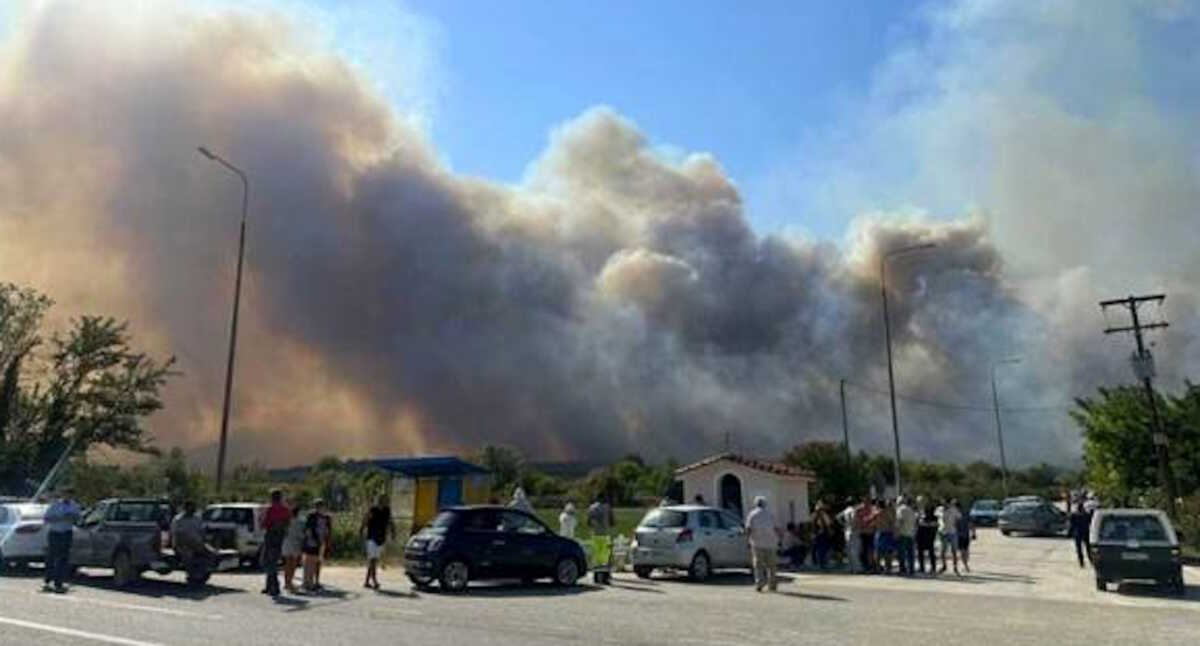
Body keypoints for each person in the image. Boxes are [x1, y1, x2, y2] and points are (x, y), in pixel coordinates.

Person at [42, 488, 81, 593]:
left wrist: (72, 517)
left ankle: (59, 582)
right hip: (55, 532)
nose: (68, 496)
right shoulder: (55, 505)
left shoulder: (75, 506)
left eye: (70, 495)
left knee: (63, 558)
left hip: (67, 532)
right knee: (52, 557)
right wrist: (58, 517)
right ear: (63, 494)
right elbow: (46, 518)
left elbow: (78, 519)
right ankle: (48, 580)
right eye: (66, 494)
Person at [746, 496, 781, 592]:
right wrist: (779, 540)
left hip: (757, 543)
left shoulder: (752, 514)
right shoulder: (771, 514)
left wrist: (748, 540)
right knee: (772, 565)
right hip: (771, 543)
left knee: (758, 565)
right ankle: (772, 585)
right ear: (765, 504)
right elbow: (777, 528)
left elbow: (748, 528)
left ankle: (759, 584)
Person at [260, 488, 292, 596]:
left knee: (267, 561)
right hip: (280, 537)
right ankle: (269, 586)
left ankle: (274, 586)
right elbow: (288, 522)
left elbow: (264, 523)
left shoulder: (270, 509)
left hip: (270, 536)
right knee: (273, 560)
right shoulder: (286, 509)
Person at [361, 496, 395, 590]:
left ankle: (367, 581)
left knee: (374, 560)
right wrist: (362, 529)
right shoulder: (373, 509)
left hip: (381, 538)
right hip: (372, 537)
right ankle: (374, 580)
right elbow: (366, 519)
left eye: (385, 501)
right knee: (372, 560)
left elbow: (390, 522)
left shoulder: (387, 511)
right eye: (381, 501)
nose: (383, 503)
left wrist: (393, 532)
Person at [282, 500, 306, 594]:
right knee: (293, 565)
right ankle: (290, 582)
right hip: (295, 544)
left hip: (286, 543)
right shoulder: (300, 521)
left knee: (287, 564)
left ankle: (287, 582)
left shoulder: (286, 521)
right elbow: (301, 534)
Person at [936, 498, 962, 576]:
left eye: (946, 503)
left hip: (952, 531)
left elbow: (959, 518)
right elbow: (937, 517)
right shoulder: (939, 509)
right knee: (942, 551)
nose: (944, 504)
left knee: (954, 550)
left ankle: (955, 567)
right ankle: (944, 566)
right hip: (942, 531)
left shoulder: (954, 510)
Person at [301, 504, 323, 592]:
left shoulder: (306, 526)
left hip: (307, 546)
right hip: (313, 546)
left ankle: (306, 583)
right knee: (312, 565)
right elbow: (314, 534)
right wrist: (318, 541)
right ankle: (310, 584)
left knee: (307, 565)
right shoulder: (313, 527)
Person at [853, 497, 877, 574]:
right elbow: (857, 521)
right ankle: (866, 566)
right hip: (863, 533)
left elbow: (876, 520)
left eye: (868, 501)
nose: (867, 503)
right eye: (866, 501)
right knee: (863, 550)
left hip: (870, 533)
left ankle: (871, 567)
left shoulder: (873, 509)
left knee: (870, 551)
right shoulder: (859, 509)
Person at [895, 496, 917, 576]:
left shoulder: (901, 509)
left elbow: (899, 521)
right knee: (910, 553)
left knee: (901, 553)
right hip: (911, 533)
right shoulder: (912, 510)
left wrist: (896, 532)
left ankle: (902, 569)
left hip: (902, 533)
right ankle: (911, 569)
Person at [916, 497, 938, 575]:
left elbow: (920, 525)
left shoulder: (923, 519)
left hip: (923, 538)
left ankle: (923, 567)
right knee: (930, 553)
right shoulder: (934, 519)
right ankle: (932, 567)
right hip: (929, 538)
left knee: (922, 553)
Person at [314, 499, 333, 590]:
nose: (320, 508)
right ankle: (312, 580)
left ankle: (316, 580)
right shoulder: (312, 516)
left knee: (319, 561)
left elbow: (329, 531)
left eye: (321, 506)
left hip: (322, 542)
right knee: (313, 562)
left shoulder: (326, 518)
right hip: (313, 542)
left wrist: (328, 542)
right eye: (318, 506)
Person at [875, 499, 897, 574]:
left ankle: (879, 568)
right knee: (888, 552)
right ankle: (888, 568)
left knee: (879, 552)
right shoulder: (889, 513)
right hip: (888, 533)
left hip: (882, 533)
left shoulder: (878, 513)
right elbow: (892, 523)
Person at [839, 499, 861, 573]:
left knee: (849, 549)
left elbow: (838, 517)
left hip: (847, 531)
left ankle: (850, 567)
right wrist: (855, 526)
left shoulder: (845, 511)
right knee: (855, 550)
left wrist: (844, 525)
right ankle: (856, 568)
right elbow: (854, 519)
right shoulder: (853, 510)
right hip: (853, 531)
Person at [811, 502, 834, 570]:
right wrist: (830, 531)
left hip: (816, 534)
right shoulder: (823, 515)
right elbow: (827, 524)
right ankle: (822, 563)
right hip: (823, 534)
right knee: (823, 549)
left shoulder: (813, 515)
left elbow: (812, 525)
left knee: (818, 549)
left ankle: (819, 563)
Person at [1069, 502, 1092, 568]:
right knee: (1088, 548)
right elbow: (1090, 523)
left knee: (1079, 549)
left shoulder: (1074, 515)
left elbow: (1072, 525)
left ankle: (1081, 562)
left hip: (1078, 533)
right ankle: (1090, 560)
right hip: (1085, 533)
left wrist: (1070, 533)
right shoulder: (1086, 515)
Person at [953, 499, 972, 573]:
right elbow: (970, 523)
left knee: (962, 551)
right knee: (966, 550)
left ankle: (965, 565)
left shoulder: (955, 514)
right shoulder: (966, 513)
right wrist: (973, 532)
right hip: (966, 534)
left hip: (959, 534)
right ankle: (966, 564)